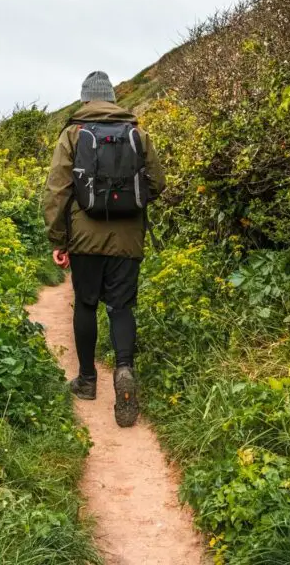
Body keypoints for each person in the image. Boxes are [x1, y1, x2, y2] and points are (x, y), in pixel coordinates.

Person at [42, 71, 166, 427]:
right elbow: (157, 182)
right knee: (121, 307)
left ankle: (87, 380)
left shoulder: (73, 133)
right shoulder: (137, 133)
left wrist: (58, 239)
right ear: (112, 100)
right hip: (128, 240)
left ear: (85, 100)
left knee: (85, 304)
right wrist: (130, 206)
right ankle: (124, 368)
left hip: (84, 239)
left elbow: (57, 191)